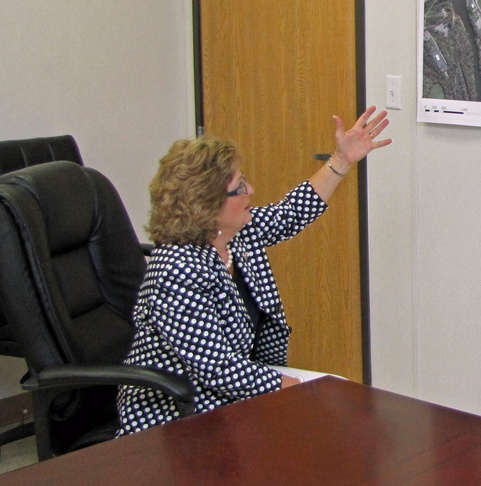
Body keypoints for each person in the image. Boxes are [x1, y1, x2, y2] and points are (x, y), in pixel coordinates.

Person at [116, 106, 391, 435]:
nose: (251, 191)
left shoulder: (235, 236)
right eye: (239, 187)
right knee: (324, 417)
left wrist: (342, 161)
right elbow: (218, 371)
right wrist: (292, 387)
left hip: (231, 391)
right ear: (207, 203)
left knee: (338, 401)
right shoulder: (175, 271)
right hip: (177, 414)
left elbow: (290, 213)